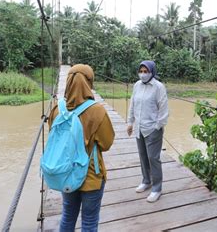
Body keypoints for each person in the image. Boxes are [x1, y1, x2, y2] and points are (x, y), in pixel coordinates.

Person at [47, 64, 115, 232]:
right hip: (91, 176)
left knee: (68, 217)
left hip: (66, 173)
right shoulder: (97, 111)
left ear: (69, 82)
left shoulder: (57, 109)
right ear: (89, 83)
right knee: (90, 222)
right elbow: (106, 144)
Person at [127, 60, 169, 203]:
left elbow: (163, 108)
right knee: (143, 156)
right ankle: (146, 181)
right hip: (139, 127)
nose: (143, 74)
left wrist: (158, 126)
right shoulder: (137, 86)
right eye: (141, 71)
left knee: (153, 158)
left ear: (152, 72)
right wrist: (130, 122)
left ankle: (157, 188)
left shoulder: (158, 87)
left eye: (146, 71)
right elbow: (132, 104)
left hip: (153, 129)